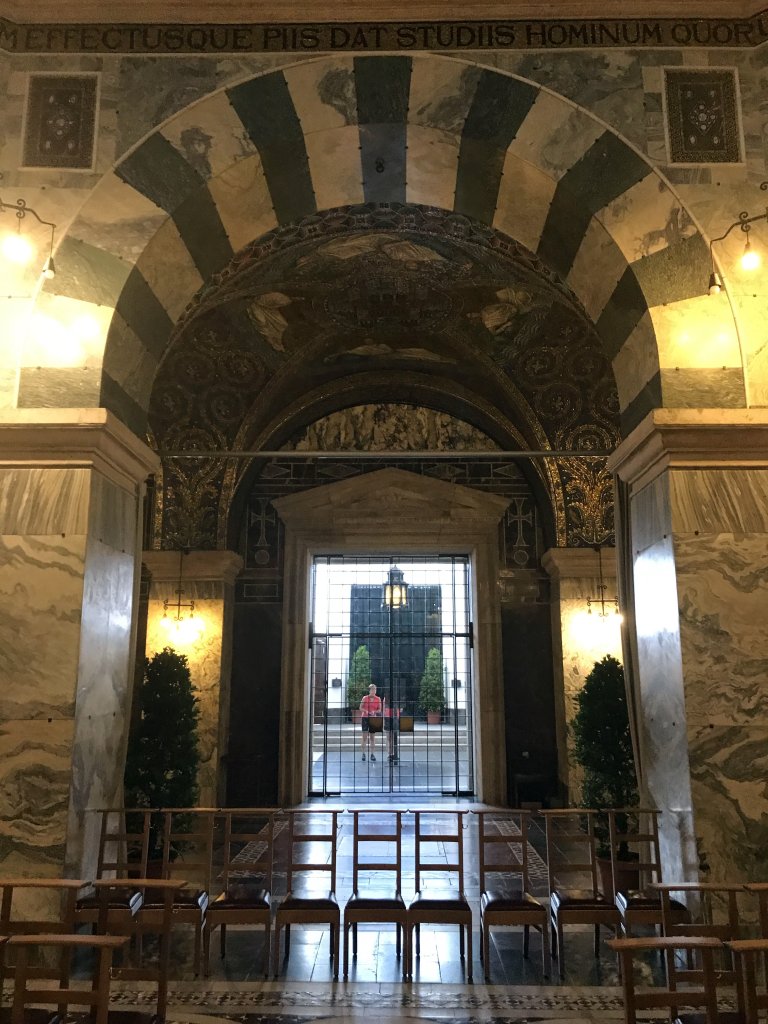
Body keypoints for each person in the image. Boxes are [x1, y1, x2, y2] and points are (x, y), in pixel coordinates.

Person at [359, 683, 382, 761]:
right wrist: (366, 711)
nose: (374, 691)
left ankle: (372, 754)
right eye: (372, 689)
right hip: (365, 718)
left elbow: (379, 709)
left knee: (372, 737)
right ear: (369, 690)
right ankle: (363, 753)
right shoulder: (365, 698)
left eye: (375, 689)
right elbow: (360, 708)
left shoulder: (378, 699)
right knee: (364, 737)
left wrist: (375, 712)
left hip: (373, 718)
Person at [383, 696, 402, 763]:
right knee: (389, 738)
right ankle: (390, 754)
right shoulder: (386, 698)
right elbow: (383, 709)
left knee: (394, 738)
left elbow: (400, 708)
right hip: (388, 718)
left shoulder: (398, 697)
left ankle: (394, 754)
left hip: (395, 718)